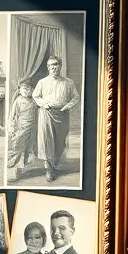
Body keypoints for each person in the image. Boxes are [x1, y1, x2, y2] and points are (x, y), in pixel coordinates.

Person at [32, 54, 79, 182]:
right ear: (48, 67)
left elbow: (75, 97)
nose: (53, 67)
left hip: (62, 114)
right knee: (47, 140)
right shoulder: (42, 82)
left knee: (60, 141)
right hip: (47, 113)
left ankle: (55, 164)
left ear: (60, 66)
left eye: (55, 65)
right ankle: (49, 169)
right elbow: (35, 96)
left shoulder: (68, 82)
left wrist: (67, 106)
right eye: (50, 65)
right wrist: (45, 104)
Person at [8, 79, 39, 173]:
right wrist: (11, 127)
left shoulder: (35, 102)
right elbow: (12, 116)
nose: (26, 91)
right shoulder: (18, 101)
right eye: (24, 89)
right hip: (21, 127)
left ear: (33, 90)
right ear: (20, 90)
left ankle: (25, 166)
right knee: (18, 146)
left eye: (29, 89)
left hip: (33, 127)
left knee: (29, 147)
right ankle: (14, 167)